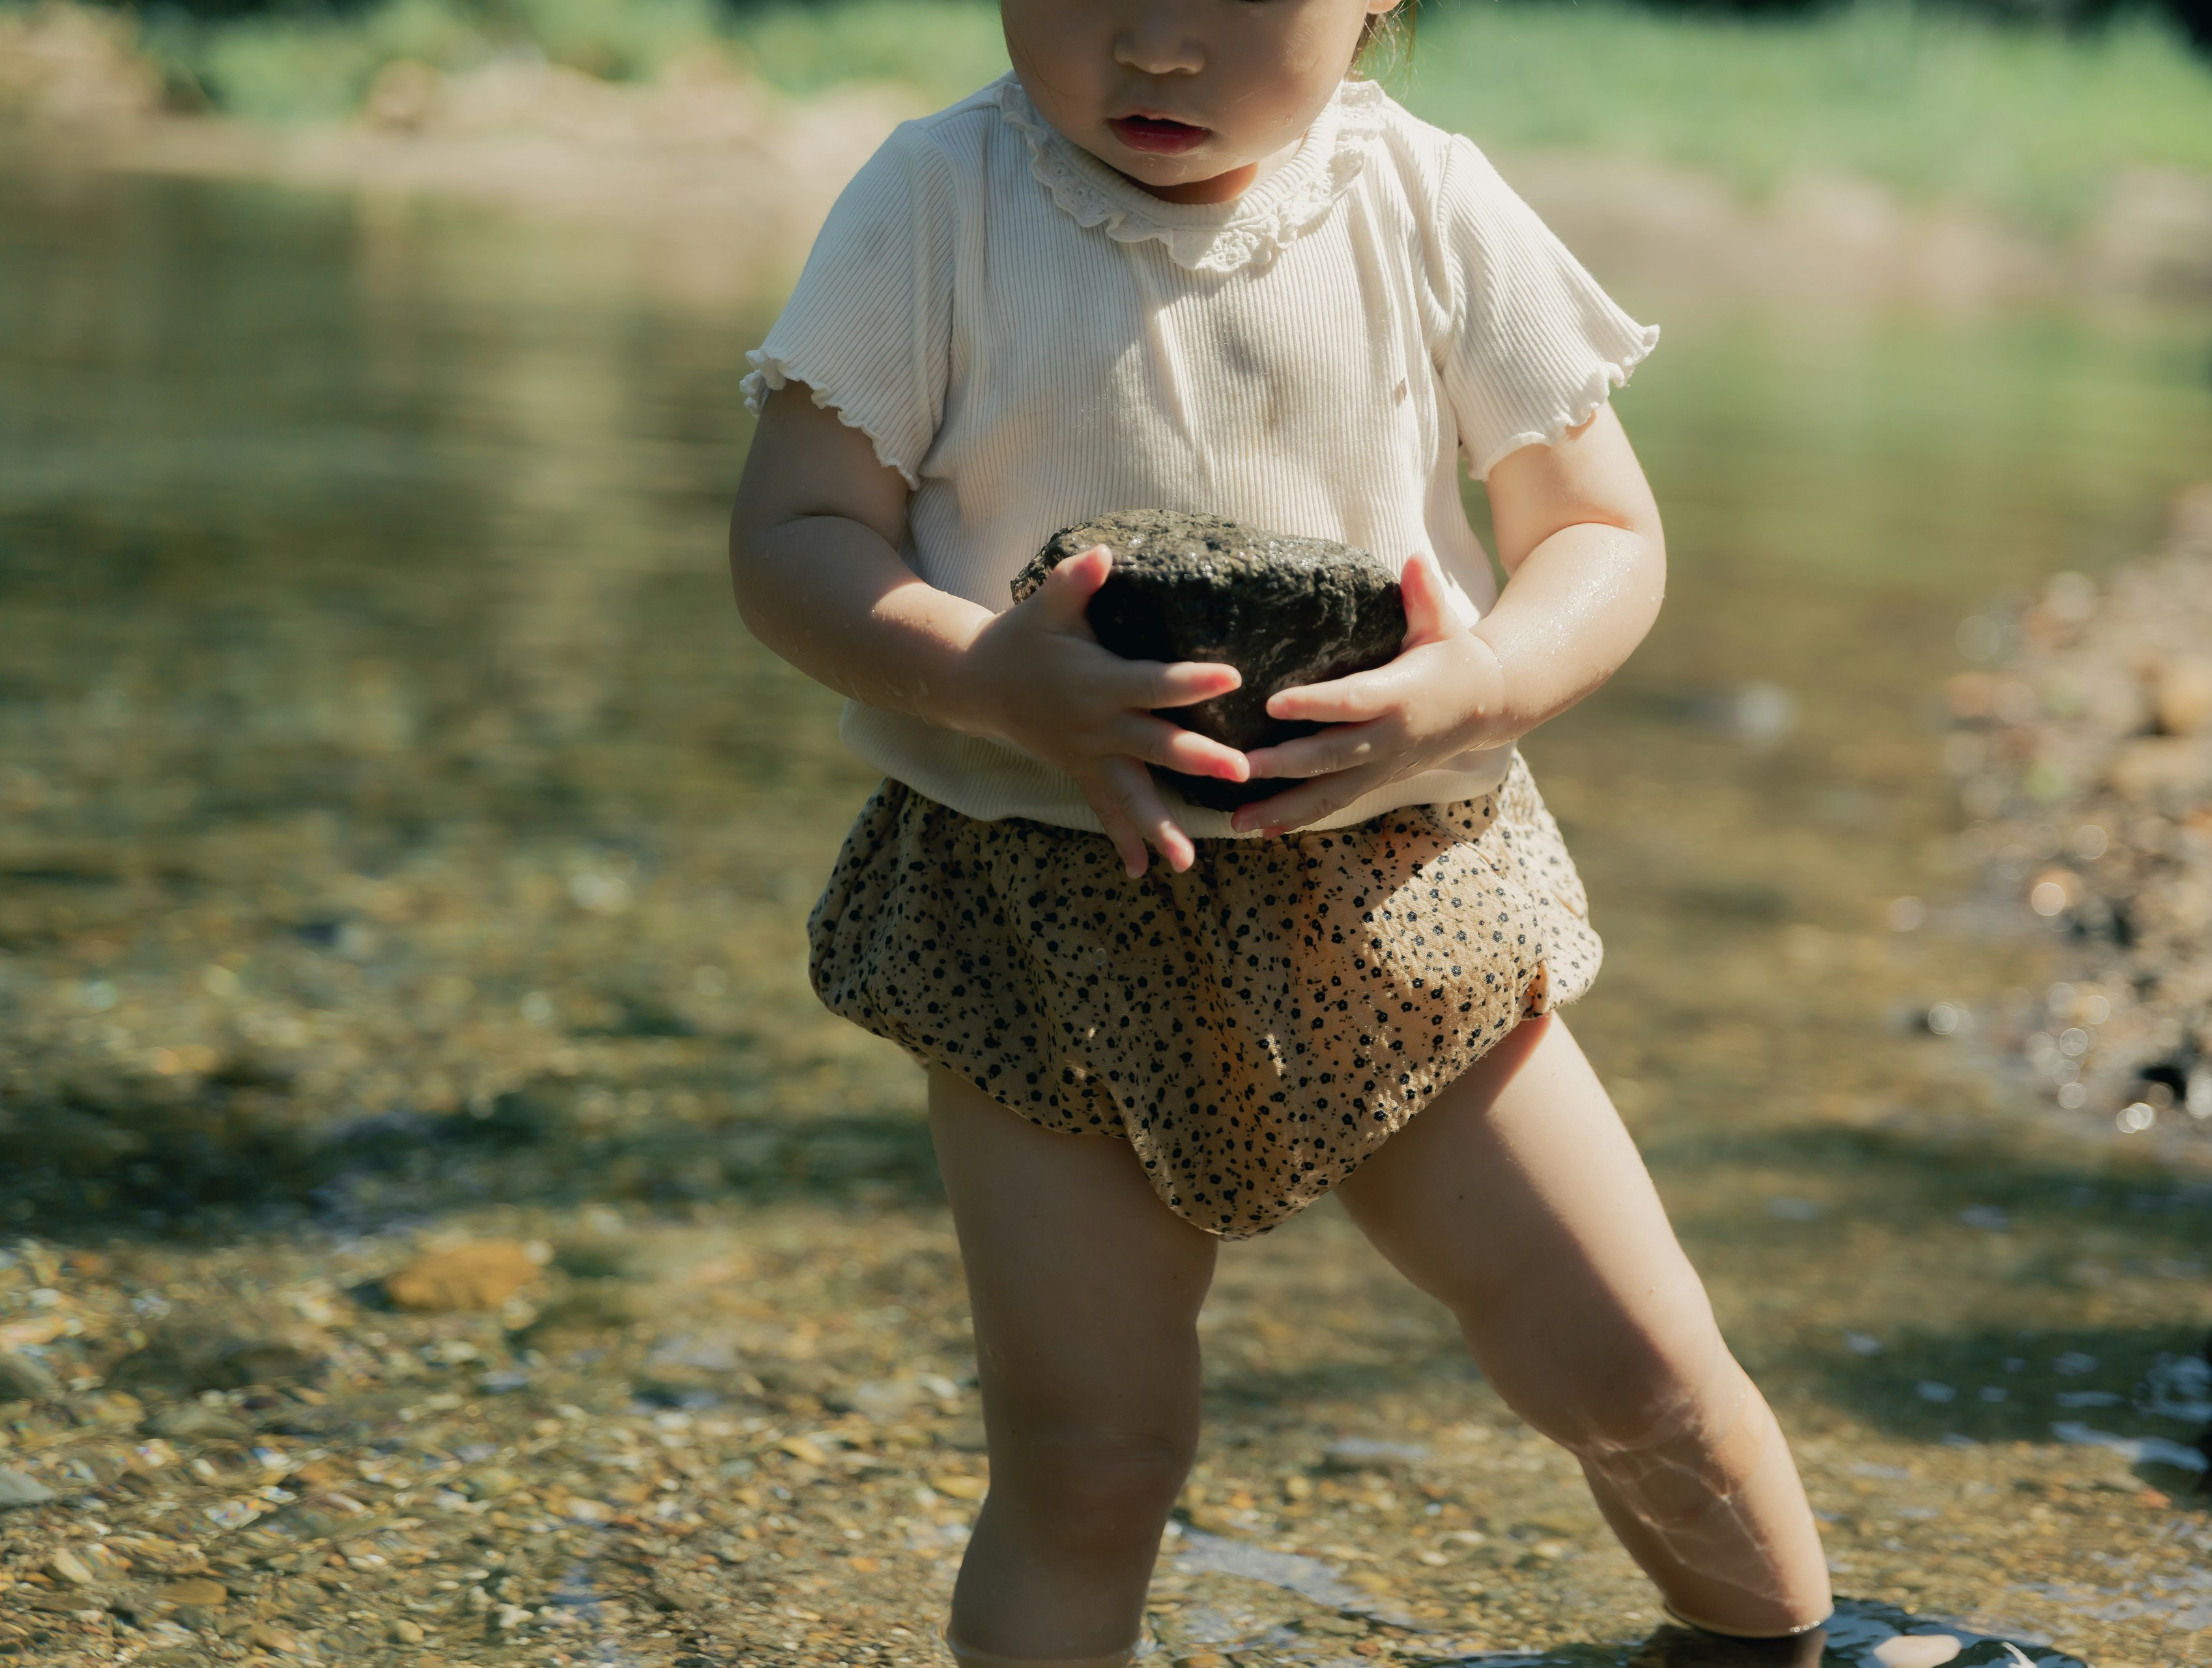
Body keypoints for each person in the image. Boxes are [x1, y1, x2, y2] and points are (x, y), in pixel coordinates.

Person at [726, 0, 1833, 1661]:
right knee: (1089, 1453)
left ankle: (1782, 1638)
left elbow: (1600, 528)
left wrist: (1487, 682)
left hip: (1399, 892)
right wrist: (983, 673)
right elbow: (796, 536)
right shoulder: (937, 199)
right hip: (1044, 907)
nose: (1155, 48)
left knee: (1635, 1369)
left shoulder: (1423, 200)